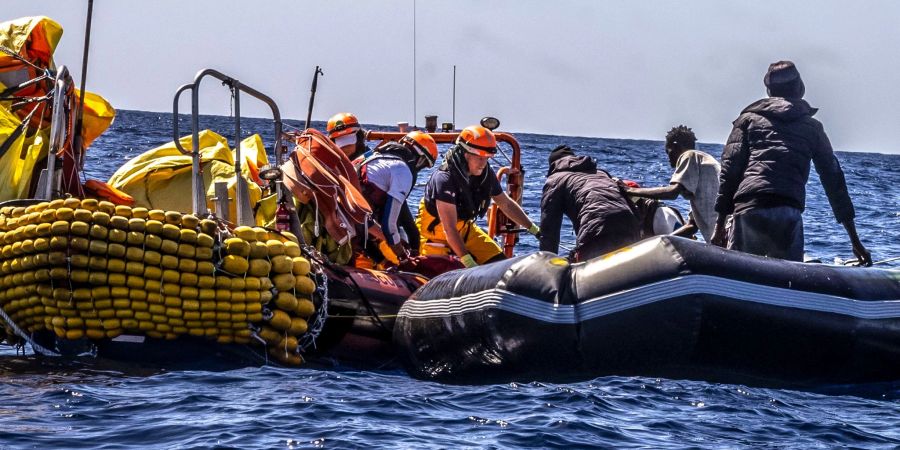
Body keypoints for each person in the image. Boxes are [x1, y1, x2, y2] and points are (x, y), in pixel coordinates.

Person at [710, 60, 872, 265]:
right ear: (800, 89)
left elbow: (730, 173)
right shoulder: (813, 128)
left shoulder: (747, 121)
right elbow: (834, 182)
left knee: (738, 276)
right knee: (786, 283)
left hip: (749, 210)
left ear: (769, 91)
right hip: (788, 213)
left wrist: (719, 228)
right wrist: (855, 241)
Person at [417, 125, 540, 268]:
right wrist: (469, 264)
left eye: (487, 158)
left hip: (465, 230)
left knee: (501, 266)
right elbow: (449, 228)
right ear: (465, 153)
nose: (483, 163)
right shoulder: (444, 179)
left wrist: (534, 230)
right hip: (435, 235)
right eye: (479, 157)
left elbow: (505, 203)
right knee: (441, 272)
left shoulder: (485, 174)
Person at [539, 145, 641, 262]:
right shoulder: (601, 173)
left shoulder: (555, 179)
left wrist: (547, 264)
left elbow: (549, 229)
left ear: (553, 165)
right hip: (630, 222)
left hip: (596, 226)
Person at [355, 130, 438, 265]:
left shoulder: (372, 158)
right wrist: (402, 257)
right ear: (420, 159)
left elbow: (360, 219)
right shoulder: (402, 170)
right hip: (354, 225)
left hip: (346, 220)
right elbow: (389, 226)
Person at [625, 125, 721, 241]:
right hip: (726, 233)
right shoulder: (703, 165)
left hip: (725, 232)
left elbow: (672, 192)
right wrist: (661, 242)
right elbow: (692, 226)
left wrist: (630, 191)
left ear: (675, 146)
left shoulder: (690, 155)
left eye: (668, 151)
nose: (668, 158)